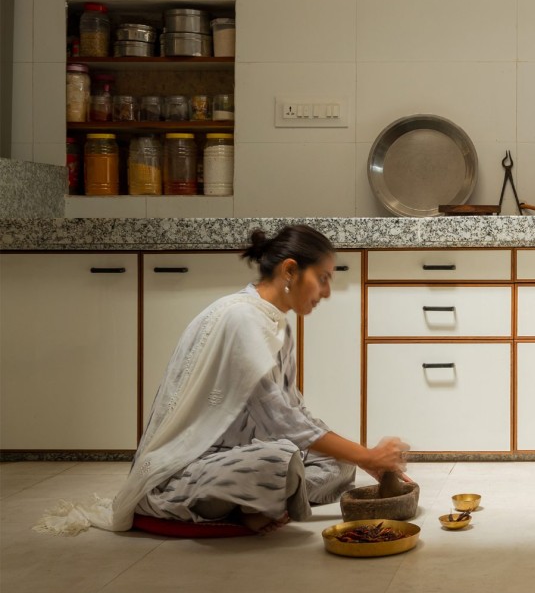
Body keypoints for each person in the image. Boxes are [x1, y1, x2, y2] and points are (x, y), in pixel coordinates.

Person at [38, 224, 409, 536]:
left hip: (239, 452)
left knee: (337, 464)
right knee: (279, 462)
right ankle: (248, 501)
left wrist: (362, 459)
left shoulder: (275, 321)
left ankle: (260, 502)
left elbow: (296, 411)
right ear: (291, 271)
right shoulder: (242, 319)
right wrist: (368, 453)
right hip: (189, 468)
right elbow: (282, 421)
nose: (327, 292)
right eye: (323, 279)